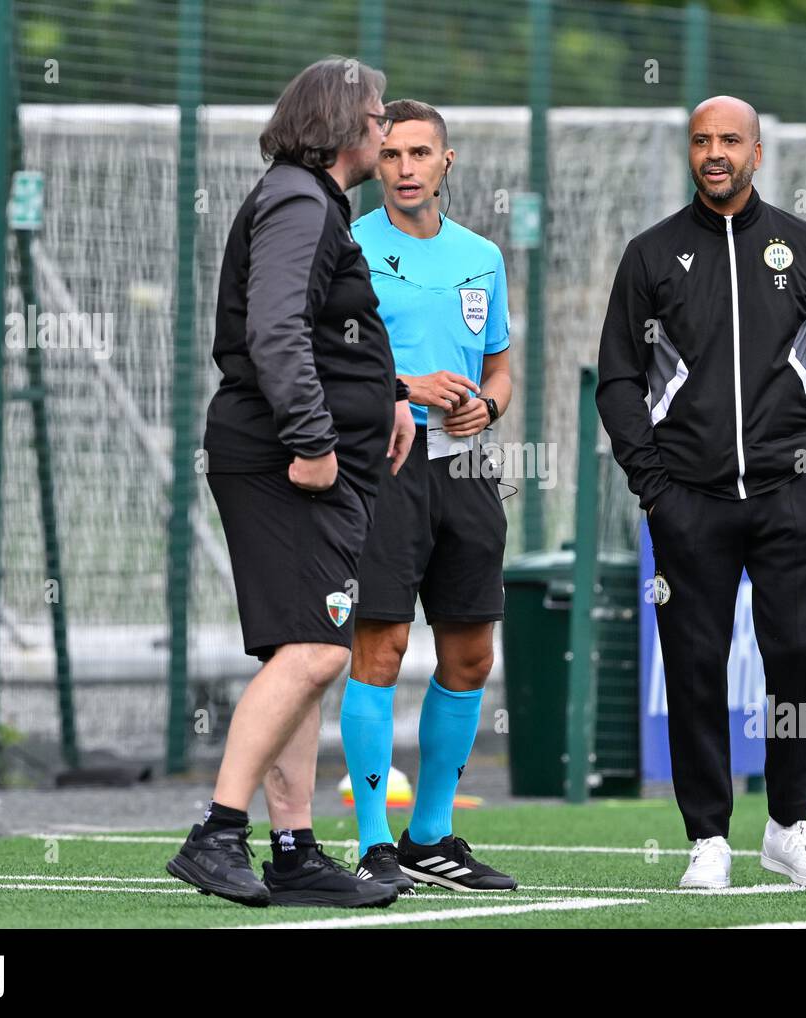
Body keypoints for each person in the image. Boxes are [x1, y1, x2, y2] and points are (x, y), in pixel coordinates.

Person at [595, 95, 806, 890]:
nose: (715, 153)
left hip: (792, 498)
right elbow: (618, 379)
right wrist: (654, 486)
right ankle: (707, 838)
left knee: (796, 661)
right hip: (689, 503)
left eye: (730, 141)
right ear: (691, 151)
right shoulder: (651, 255)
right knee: (695, 664)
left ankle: (788, 826)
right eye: (702, 140)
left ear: (758, 152)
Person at [165, 57, 415, 909]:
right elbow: (274, 330)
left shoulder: (314, 205)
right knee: (311, 650)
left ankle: (295, 847)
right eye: (379, 117)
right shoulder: (299, 201)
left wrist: (387, 396)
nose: (387, 132)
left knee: (305, 656)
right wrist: (312, 440)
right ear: (345, 123)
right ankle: (218, 832)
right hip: (282, 458)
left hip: (303, 454)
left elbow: (329, 334)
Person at [339, 99, 516, 892]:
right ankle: (375, 841)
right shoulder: (347, 248)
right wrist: (406, 384)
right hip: (385, 466)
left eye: (421, 154)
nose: (406, 169)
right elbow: (326, 357)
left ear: (448, 162)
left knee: (472, 653)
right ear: (375, 164)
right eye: (392, 155)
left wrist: (492, 403)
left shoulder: (482, 255)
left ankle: (432, 833)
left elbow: (501, 364)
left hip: (469, 468)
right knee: (378, 649)